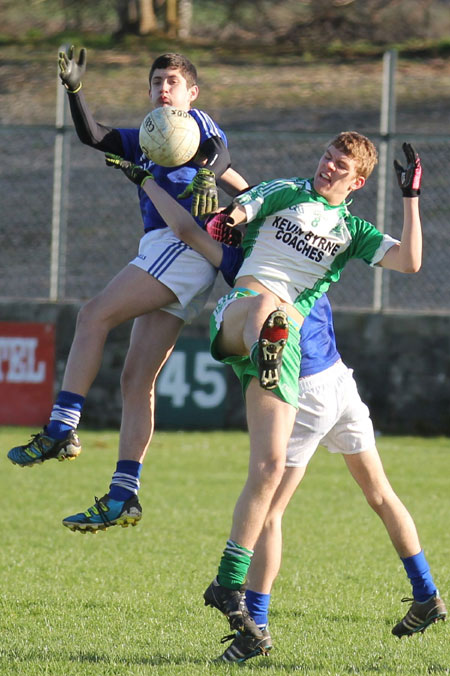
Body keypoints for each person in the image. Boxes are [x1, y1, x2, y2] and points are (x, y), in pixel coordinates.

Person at [103, 133, 425, 645]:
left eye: (339, 165)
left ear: (357, 181)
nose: (326, 167)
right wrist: (225, 218)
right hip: (243, 316)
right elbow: (232, 214)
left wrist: (410, 199)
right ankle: (266, 343)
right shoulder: (284, 193)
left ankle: (229, 583)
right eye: (325, 156)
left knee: (269, 470)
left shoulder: (352, 231)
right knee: (267, 310)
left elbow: (410, 262)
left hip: (289, 353)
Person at [7, 46, 249, 534]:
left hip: (179, 248)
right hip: (178, 255)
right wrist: (75, 92)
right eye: (156, 80)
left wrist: (208, 171)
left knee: (93, 315)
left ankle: (62, 427)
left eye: (173, 82)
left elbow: (220, 154)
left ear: (192, 92)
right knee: (136, 381)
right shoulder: (148, 136)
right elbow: (93, 135)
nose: (163, 88)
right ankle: (124, 493)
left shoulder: (196, 125)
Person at [217, 296, 447, 663]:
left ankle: (255, 630)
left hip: (304, 389)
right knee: (381, 494)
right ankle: (426, 594)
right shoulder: (310, 248)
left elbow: (223, 257)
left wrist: (195, 237)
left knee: (268, 514)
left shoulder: (261, 257)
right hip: (339, 380)